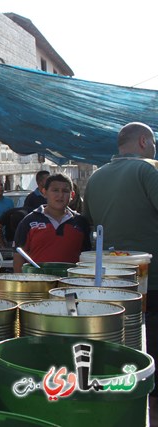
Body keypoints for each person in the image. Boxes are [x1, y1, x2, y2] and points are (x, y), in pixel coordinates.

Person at [83, 121, 158, 396]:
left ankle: (123, 384)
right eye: (152, 143)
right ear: (142, 142)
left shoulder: (96, 177)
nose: (153, 148)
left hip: (111, 277)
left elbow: (89, 221)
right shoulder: (148, 169)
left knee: (122, 335)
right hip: (151, 275)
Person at [13, 173, 91, 273]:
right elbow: (18, 255)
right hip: (38, 284)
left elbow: (87, 256)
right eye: (55, 190)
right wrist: (21, 284)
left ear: (72, 195)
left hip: (70, 283)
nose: (60, 195)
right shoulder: (29, 221)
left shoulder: (80, 222)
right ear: (44, 192)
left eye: (65, 191)